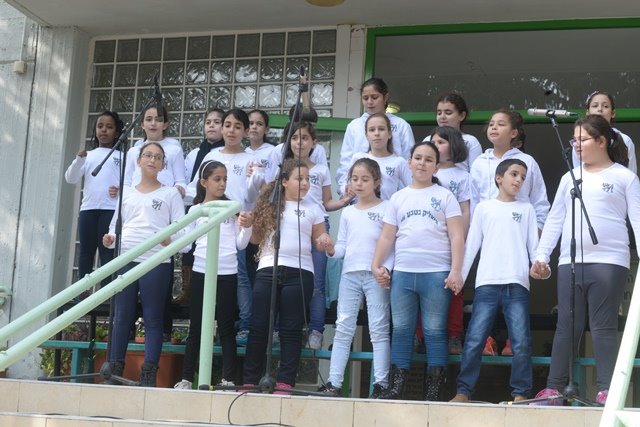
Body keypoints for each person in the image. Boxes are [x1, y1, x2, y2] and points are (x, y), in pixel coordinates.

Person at [530, 115, 639, 406]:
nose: (575, 145)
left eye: (582, 139)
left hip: (610, 260)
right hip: (570, 260)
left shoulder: (624, 177)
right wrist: (542, 255)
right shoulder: (569, 177)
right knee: (566, 325)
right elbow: (555, 219)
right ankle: (553, 389)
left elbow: (637, 220)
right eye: (573, 140)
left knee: (603, 325)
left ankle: (606, 390)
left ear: (601, 141)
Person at [372, 141, 464, 401]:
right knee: (402, 330)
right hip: (403, 273)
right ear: (409, 162)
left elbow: (457, 236)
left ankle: (433, 392)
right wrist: (375, 264)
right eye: (418, 158)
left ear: (436, 167)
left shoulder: (445, 196)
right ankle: (396, 388)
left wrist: (456, 270)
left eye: (428, 159)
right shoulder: (398, 197)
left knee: (434, 331)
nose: (422, 163)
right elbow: (387, 236)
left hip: (436, 273)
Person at [450, 158, 539, 403]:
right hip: (487, 282)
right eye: (514, 174)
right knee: (474, 339)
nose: (519, 180)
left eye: (523, 177)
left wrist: (541, 267)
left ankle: (521, 393)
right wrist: (459, 275)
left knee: (521, 342)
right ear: (499, 178)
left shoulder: (527, 209)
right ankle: (463, 391)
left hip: (517, 282)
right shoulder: (484, 208)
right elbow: (471, 246)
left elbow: (535, 249)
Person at [242, 159, 334, 393]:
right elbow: (255, 240)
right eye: (299, 178)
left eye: (308, 179)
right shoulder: (270, 205)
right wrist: (250, 224)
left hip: (300, 272)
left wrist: (324, 241)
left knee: (291, 330)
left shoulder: (314, 208)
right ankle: (250, 380)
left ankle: (285, 382)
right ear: (284, 181)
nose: (305, 183)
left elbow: (319, 240)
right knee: (259, 326)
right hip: (268, 268)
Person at [102, 142, 185, 387]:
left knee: (153, 318)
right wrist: (110, 239)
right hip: (126, 258)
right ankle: (114, 369)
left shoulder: (170, 194)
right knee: (122, 316)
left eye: (158, 157)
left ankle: (148, 373)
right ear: (138, 160)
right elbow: (115, 226)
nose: (152, 160)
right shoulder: (126, 193)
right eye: (148, 155)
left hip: (156, 260)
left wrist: (170, 239)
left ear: (163, 165)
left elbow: (183, 231)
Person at [470, 109, 549, 356]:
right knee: (487, 286)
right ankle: (488, 339)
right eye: (491, 123)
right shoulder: (479, 163)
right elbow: (473, 201)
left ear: (514, 133)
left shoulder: (528, 162)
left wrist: (534, 236)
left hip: (518, 234)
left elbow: (540, 202)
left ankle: (510, 341)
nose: (494, 127)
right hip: (489, 235)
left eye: (501, 124)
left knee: (516, 287)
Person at [174, 160, 253, 390]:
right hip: (201, 271)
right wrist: (170, 239)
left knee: (226, 326)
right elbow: (186, 245)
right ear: (203, 182)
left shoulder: (232, 208)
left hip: (228, 273)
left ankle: (228, 379)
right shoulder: (195, 210)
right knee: (196, 327)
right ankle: (186, 378)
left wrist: (247, 226)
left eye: (225, 179)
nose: (222, 183)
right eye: (217, 179)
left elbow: (241, 244)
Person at [317, 158, 392, 398]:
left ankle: (381, 384)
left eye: (365, 179)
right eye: (355, 179)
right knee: (343, 327)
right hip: (350, 274)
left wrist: (385, 268)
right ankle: (334, 383)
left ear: (377, 182)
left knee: (378, 329)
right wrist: (330, 248)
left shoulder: (387, 208)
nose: (359, 183)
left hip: (375, 275)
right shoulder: (348, 212)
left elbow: (392, 245)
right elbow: (342, 247)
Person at [186, 109, 260, 348]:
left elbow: (253, 196)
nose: (231, 130)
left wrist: (255, 178)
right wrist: (176, 191)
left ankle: (244, 323)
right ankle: (204, 330)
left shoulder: (251, 158)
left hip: (236, 224)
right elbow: (195, 188)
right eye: (227, 125)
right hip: (210, 222)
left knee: (240, 277)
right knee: (206, 276)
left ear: (245, 131)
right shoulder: (211, 155)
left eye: (237, 126)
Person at [282, 121, 354, 349]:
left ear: (314, 142)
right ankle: (280, 329)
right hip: (290, 225)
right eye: (295, 138)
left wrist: (344, 201)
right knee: (285, 277)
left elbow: (326, 203)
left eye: (305, 138)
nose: (299, 143)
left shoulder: (321, 170)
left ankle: (316, 330)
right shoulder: (284, 168)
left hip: (318, 226)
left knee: (317, 282)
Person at [64, 111, 123, 288]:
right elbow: (70, 178)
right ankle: (82, 291)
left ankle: (105, 292)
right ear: (95, 130)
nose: (104, 130)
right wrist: (78, 161)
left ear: (117, 132)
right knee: (86, 251)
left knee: (107, 252)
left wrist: (119, 189)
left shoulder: (121, 156)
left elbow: (129, 182)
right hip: (88, 209)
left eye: (109, 127)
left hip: (110, 209)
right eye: (100, 126)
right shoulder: (88, 155)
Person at [177, 107, 226, 305]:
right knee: (190, 248)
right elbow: (190, 181)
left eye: (217, 122)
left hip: (220, 207)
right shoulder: (195, 153)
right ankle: (188, 291)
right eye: (208, 122)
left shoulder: (224, 152)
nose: (211, 126)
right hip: (196, 204)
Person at [336, 77, 415, 195]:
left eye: (374, 97)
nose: (369, 102)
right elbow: (346, 163)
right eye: (365, 98)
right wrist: (345, 188)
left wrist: (402, 196)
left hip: (394, 196)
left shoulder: (401, 125)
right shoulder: (354, 126)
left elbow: (409, 161)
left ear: (385, 97)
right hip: (360, 197)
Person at [431, 125, 470, 355]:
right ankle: (421, 336)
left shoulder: (462, 175)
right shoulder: (426, 171)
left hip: (453, 240)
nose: (435, 146)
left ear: (453, 145)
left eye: (441, 142)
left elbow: (465, 208)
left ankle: (454, 334)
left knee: (455, 288)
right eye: (433, 142)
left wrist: (460, 237)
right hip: (430, 240)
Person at [340, 112, 412, 201]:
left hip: (388, 209)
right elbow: (345, 185)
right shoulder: (358, 158)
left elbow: (414, 188)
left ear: (389, 134)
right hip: (360, 208)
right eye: (372, 130)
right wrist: (346, 188)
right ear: (366, 135)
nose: (377, 133)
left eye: (381, 129)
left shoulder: (399, 162)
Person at [123, 105, 186, 198]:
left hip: (164, 200)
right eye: (149, 119)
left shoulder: (174, 150)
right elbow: (126, 182)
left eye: (158, 120)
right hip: (136, 200)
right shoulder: (133, 151)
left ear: (165, 125)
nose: (153, 123)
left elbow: (180, 181)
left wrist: (179, 189)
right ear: (142, 124)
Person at [572, 91, 636, 174]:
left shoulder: (625, 140)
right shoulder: (578, 141)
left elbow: (631, 173)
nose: (600, 109)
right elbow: (578, 172)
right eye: (595, 106)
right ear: (587, 113)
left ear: (612, 113)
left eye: (605, 106)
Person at [423, 93, 482, 172]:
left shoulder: (470, 141)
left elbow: (476, 173)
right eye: (439, 113)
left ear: (462, 116)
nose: (442, 117)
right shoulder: (428, 140)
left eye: (448, 113)